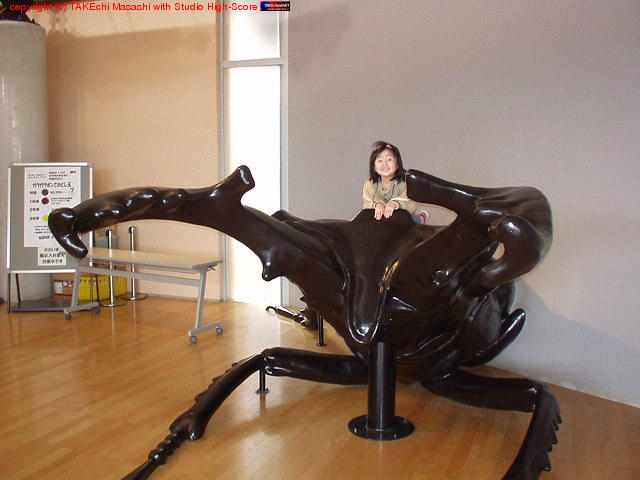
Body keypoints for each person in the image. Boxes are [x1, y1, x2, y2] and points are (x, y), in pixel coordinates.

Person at [362, 141, 428, 223]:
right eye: (380, 160)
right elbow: (367, 202)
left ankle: (419, 219)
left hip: (402, 214)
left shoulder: (407, 183)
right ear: (374, 167)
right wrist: (377, 205)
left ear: (397, 165)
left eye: (389, 159)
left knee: (404, 219)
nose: (385, 164)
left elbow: (412, 203)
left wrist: (395, 204)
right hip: (381, 217)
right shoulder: (369, 184)